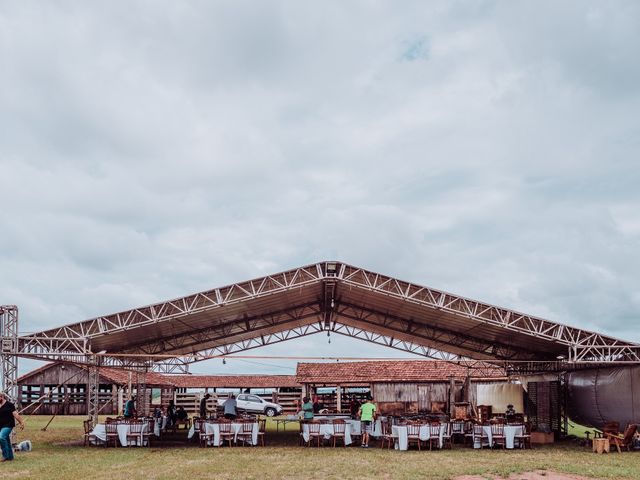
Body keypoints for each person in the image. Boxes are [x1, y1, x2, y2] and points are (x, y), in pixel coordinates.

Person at [0, 392, 25, 462]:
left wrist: (21, 422)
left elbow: (15, 414)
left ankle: (5, 456)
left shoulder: (9, 405)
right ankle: (10, 457)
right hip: (0, 426)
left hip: (8, 425)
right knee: (6, 440)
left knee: (1, 437)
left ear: (2, 397)